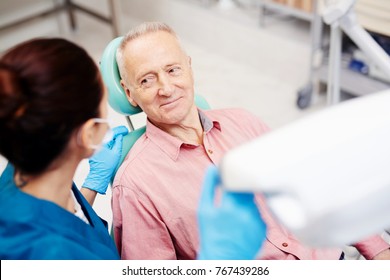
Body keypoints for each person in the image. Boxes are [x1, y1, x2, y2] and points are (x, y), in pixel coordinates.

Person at [111, 21, 390, 260]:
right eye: (147, 80)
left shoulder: (243, 121)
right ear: (130, 93)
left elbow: (317, 188)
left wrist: (378, 250)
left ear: (190, 68)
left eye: (173, 70)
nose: (166, 88)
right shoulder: (136, 184)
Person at [0, 38, 128, 259]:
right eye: (104, 103)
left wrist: (92, 186)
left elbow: (62, 222)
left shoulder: (26, 158)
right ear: (89, 133)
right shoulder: (55, 256)